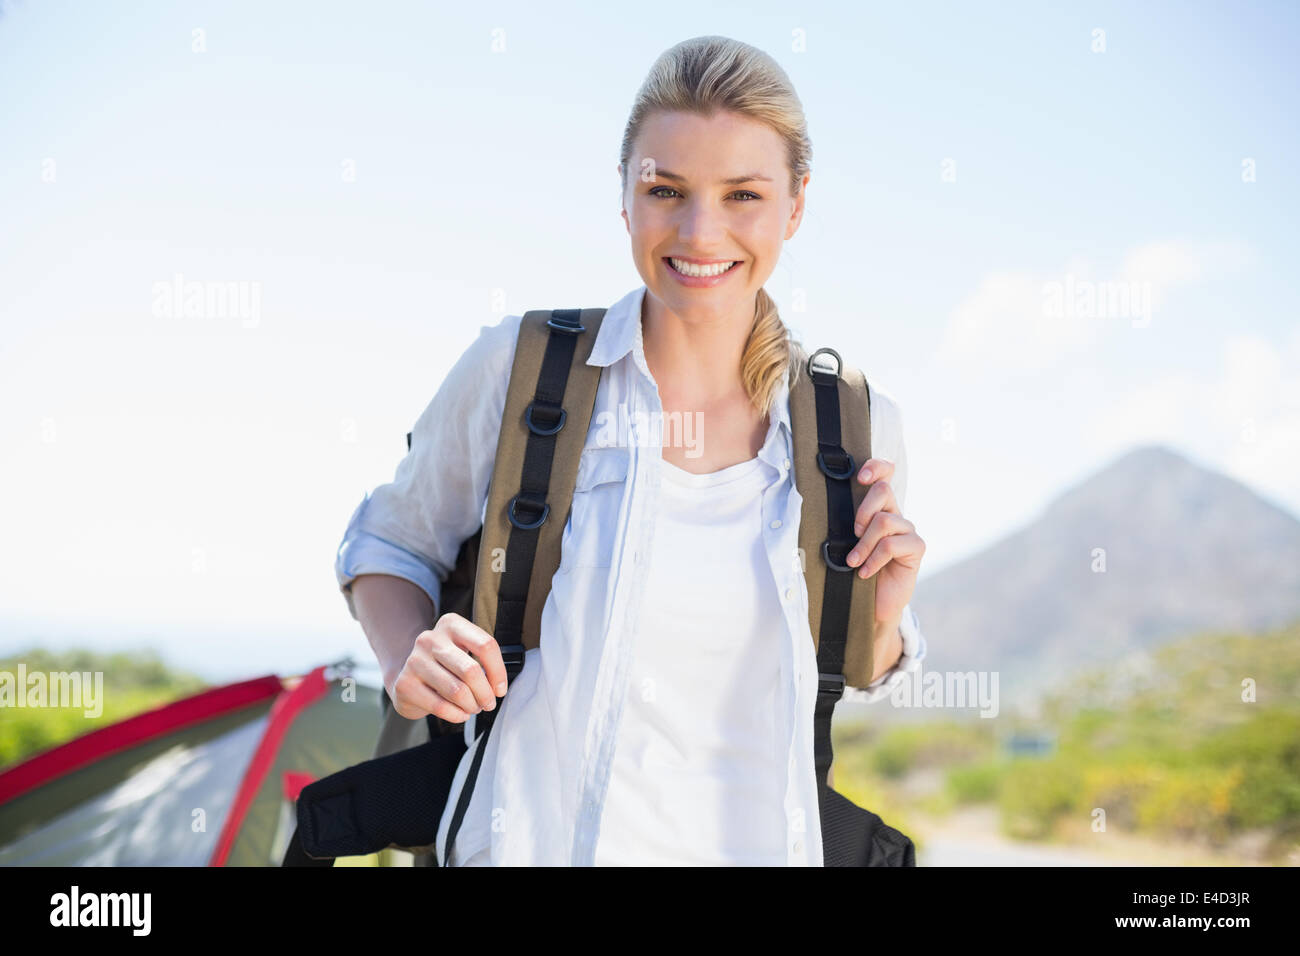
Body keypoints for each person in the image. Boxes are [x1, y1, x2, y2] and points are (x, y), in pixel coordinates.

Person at [334, 35, 928, 866]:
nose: (700, 230)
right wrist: (411, 656)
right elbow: (388, 542)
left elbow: (853, 669)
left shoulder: (854, 424)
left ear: (795, 206)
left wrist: (885, 617)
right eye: (666, 190)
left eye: (742, 195)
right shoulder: (522, 371)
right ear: (625, 198)